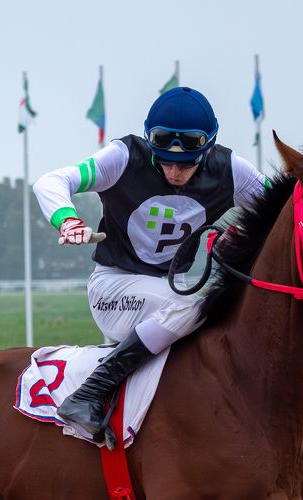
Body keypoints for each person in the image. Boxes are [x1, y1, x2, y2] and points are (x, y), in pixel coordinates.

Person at [33, 86, 268, 446]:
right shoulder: (124, 156)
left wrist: (240, 235)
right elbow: (50, 181)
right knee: (191, 306)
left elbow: (282, 213)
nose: (174, 172)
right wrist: (67, 220)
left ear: (208, 148)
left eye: (185, 164)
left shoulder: (233, 170)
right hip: (113, 288)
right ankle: (88, 395)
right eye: (165, 161)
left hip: (167, 289)